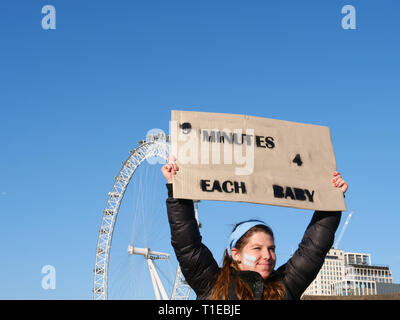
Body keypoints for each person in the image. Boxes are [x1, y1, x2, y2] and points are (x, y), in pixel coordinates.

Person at [162, 156, 348, 300]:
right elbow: (187, 245)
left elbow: (314, 248)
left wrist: (332, 198)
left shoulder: (286, 285)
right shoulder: (212, 284)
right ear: (236, 254)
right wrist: (176, 189)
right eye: (257, 248)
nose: (267, 256)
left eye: (271, 249)